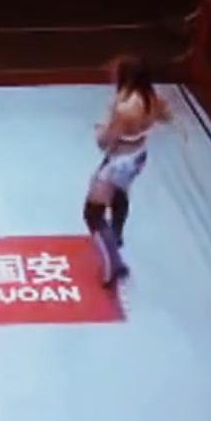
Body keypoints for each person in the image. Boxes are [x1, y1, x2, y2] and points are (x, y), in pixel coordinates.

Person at [83, 56, 183, 288]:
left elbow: (105, 141)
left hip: (120, 159)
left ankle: (113, 265)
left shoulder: (125, 107)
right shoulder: (152, 97)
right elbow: (166, 116)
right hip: (138, 154)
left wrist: (102, 125)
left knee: (93, 213)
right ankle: (116, 234)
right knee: (119, 193)